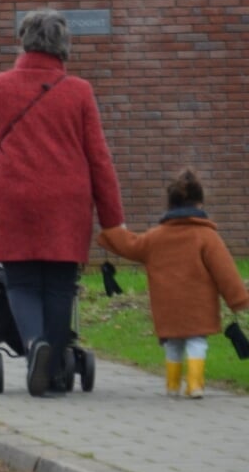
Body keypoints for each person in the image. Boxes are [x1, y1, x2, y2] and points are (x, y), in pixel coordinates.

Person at [0, 8, 125, 397]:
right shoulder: (79, 91)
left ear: (24, 41)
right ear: (64, 47)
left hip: (15, 198)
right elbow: (99, 158)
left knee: (20, 279)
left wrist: (1, 172)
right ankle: (56, 367)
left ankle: (35, 344)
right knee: (60, 283)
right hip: (67, 202)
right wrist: (112, 220)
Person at [96, 169, 249, 399]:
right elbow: (224, 271)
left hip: (167, 307)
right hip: (199, 307)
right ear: (200, 204)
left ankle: (172, 385)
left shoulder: (155, 237)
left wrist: (110, 231)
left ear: (170, 205)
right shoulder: (206, 237)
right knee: (197, 341)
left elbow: (130, 244)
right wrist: (238, 299)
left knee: (173, 344)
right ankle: (195, 384)